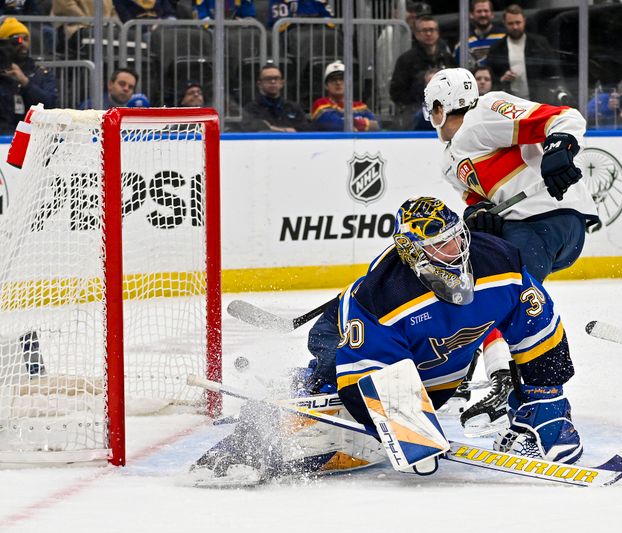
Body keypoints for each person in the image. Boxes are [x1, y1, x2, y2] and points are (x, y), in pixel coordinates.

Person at [189, 197, 583, 486]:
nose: (456, 250)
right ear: (412, 251)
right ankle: (251, 433)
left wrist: (545, 400)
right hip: (345, 334)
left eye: (456, 238)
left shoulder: (500, 262)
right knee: (327, 380)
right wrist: (406, 428)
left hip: (434, 371)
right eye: (440, 245)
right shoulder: (382, 295)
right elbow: (370, 373)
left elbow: (538, 328)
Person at [423, 67, 598, 436]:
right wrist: (478, 214)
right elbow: (479, 201)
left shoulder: (486, 109)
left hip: (549, 219)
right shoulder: (450, 159)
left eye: (434, 109)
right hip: (522, 227)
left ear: (442, 105)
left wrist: (559, 147)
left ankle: (535, 407)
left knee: (510, 301)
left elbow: (566, 117)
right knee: (469, 285)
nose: (432, 118)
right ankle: (475, 374)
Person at [389, 15, 456, 129]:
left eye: (432, 30)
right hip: (415, 112)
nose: (429, 33)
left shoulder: (446, 57)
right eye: (424, 30)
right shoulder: (406, 59)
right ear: (416, 34)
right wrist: (422, 86)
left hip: (446, 111)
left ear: (438, 32)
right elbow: (396, 92)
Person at [485, 4, 557, 102]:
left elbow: (553, 72)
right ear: (504, 23)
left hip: (538, 101)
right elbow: (490, 78)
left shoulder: (540, 44)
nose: (515, 27)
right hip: (508, 103)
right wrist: (502, 79)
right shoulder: (496, 48)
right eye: (510, 23)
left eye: (518, 22)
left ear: (524, 21)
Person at [0, 18, 57, 135]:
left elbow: (50, 104)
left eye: (26, 39)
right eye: (16, 40)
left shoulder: (40, 74)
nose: (23, 44)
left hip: (33, 137)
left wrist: (25, 82)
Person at [311, 60, 379, 132]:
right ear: (326, 86)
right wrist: (363, 123)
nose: (338, 82)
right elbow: (334, 125)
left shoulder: (360, 106)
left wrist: (348, 122)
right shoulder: (320, 104)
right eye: (333, 80)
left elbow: (377, 126)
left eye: (342, 79)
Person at [240, 64, 310, 132]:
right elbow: (249, 129)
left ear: (282, 83)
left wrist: (270, 128)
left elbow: (305, 131)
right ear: (259, 84)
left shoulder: (294, 108)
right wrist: (285, 130)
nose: (273, 82)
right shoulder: (251, 109)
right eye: (268, 79)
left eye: (276, 78)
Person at [453, 0, 506, 67]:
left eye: (486, 11)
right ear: (471, 15)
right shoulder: (463, 43)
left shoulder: (504, 38)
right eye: (479, 11)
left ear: (492, 14)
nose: (483, 14)